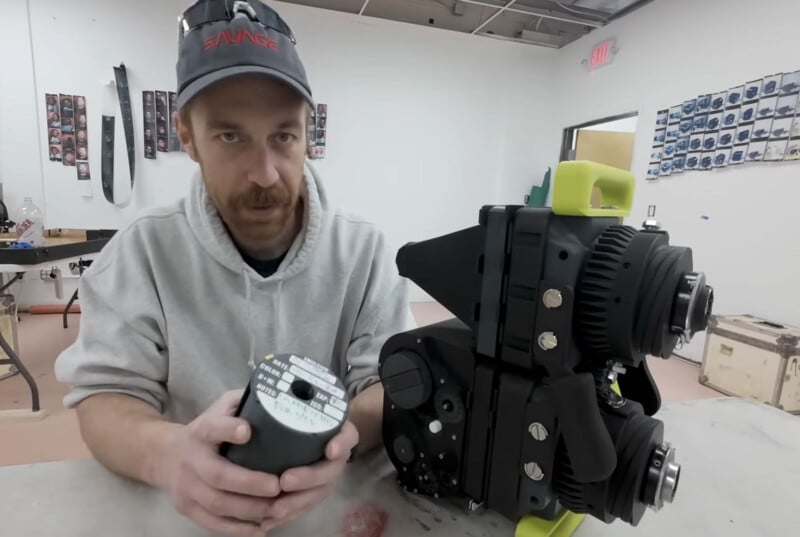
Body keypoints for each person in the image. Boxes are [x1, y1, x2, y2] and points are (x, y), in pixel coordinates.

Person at [54, 1, 415, 536]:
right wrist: (170, 456)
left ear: (306, 131)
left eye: (283, 137)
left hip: (327, 515)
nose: (265, 172)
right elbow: (105, 400)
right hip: (188, 517)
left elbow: (387, 383)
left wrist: (342, 438)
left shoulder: (361, 251)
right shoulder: (142, 252)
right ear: (187, 137)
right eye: (231, 137)